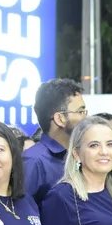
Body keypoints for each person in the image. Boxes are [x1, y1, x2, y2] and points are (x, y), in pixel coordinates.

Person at [25, 79, 86, 209]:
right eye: (81, 112)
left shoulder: (80, 156)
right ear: (60, 119)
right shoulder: (33, 162)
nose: (86, 118)